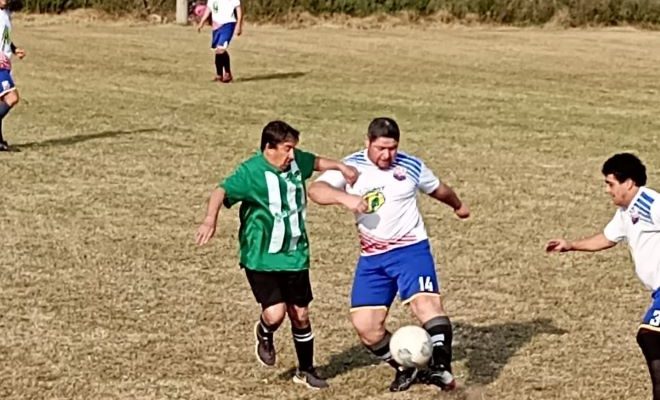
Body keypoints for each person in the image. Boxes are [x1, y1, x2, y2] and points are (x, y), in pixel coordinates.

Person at [307, 117, 470, 392]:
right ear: (367, 142)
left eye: (392, 148)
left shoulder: (411, 165)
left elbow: (438, 188)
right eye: (381, 148)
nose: (387, 155)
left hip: (410, 251)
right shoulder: (352, 167)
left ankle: (441, 368)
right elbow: (316, 190)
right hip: (372, 259)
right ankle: (406, 367)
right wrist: (347, 198)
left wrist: (458, 205)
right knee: (366, 326)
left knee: (426, 306)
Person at [195, 120, 358, 389]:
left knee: (301, 313)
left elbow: (315, 162)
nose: (292, 154)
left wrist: (340, 166)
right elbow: (220, 190)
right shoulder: (251, 172)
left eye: (294, 149)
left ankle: (306, 370)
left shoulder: (295, 162)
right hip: (261, 256)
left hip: (295, 253)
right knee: (275, 314)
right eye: (287, 149)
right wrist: (210, 220)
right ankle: (264, 331)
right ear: (269, 148)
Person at [546, 153, 660, 400]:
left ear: (628, 183)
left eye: (610, 183)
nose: (607, 190)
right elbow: (607, 238)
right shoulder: (625, 211)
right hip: (657, 292)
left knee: (649, 335)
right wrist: (571, 245)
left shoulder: (649, 203)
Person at [196, 0, 243, 83]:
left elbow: (238, 10)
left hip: (228, 24)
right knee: (217, 51)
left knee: (221, 49)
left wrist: (239, 25)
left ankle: (228, 74)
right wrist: (202, 22)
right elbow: (209, 9)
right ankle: (219, 75)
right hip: (216, 26)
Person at [0, 0, 25, 152]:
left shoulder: (6, 14)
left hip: (5, 64)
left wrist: (14, 50)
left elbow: (5, 37)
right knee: (12, 97)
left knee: (2, 100)